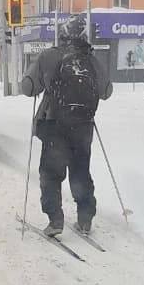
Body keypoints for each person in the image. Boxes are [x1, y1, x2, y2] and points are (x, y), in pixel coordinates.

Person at [21, 13, 113, 237]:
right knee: (80, 171)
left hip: (55, 124)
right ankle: (85, 218)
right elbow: (106, 91)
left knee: (51, 173)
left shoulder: (49, 56)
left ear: (62, 34)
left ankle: (55, 220)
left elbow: (28, 88)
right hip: (83, 126)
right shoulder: (90, 59)